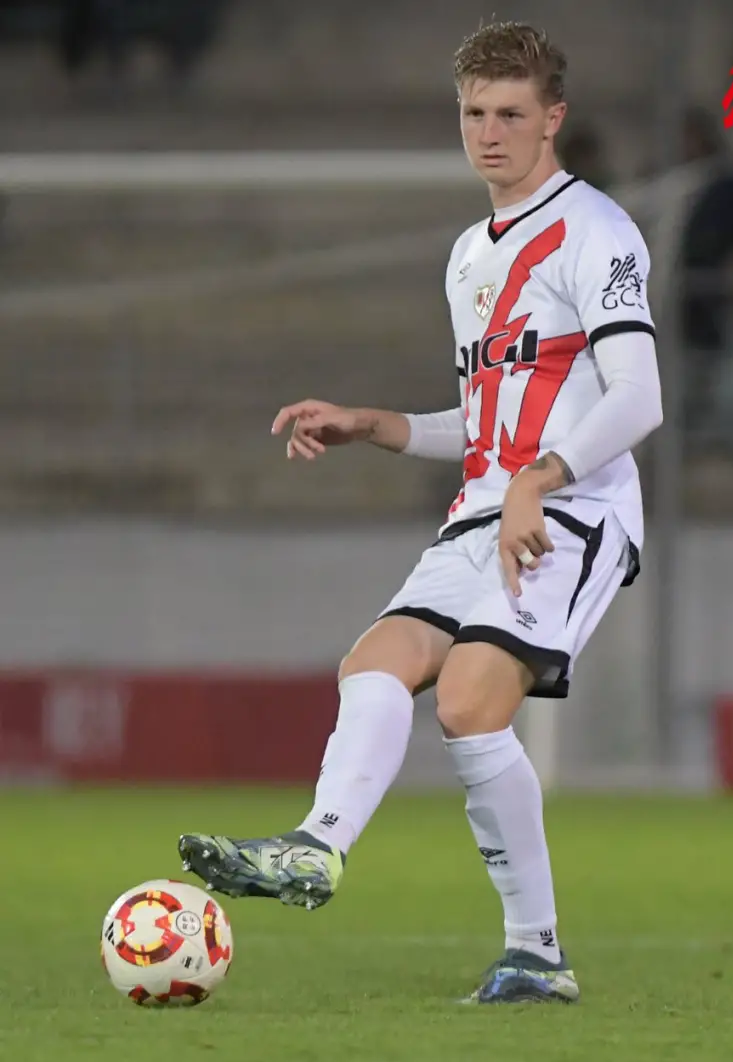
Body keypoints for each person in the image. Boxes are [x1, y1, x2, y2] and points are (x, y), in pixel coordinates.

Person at [179, 21, 663, 1005]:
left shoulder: (598, 231)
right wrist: (375, 424)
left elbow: (639, 398)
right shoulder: (464, 257)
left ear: (551, 119)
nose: (489, 133)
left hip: (572, 512)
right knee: (375, 662)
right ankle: (316, 851)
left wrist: (540, 479)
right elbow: (487, 424)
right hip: (485, 507)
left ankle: (535, 951)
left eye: (510, 115)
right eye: (474, 113)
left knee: (469, 701)